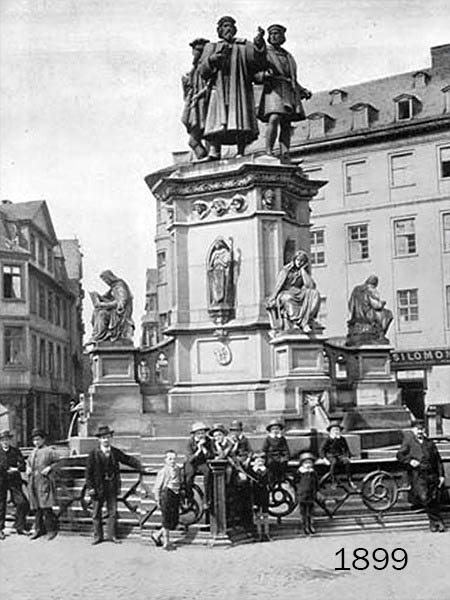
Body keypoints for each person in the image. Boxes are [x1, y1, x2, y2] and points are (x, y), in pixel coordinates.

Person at [199, 16, 266, 159]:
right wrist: (211, 61)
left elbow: (258, 62)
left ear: (235, 29)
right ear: (219, 30)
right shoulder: (211, 47)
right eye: (224, 26)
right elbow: (202, 71)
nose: (228, 29)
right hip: (218, 87)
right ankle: (214, 152)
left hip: (239, 88)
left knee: (240, 119)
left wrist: (259, 44)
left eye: (230, 26)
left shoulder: (243, 46)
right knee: (216, 120)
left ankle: (241, 151)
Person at [256, 24, 311, 160]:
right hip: (273, 88)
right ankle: (268, 151)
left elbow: (292, 78)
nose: (274, 36)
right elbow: (257, 55)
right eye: (272, 34)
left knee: (286, 123)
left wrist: (302, 90)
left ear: (283, 37)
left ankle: (285, 153)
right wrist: (259, 37)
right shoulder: (266, 52)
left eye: (277, 34)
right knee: (274, 117)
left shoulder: (288, 56)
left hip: (287, 89)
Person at [85, 425, 148, 545]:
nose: (106, 440)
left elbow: (127, 459)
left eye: (108, 437)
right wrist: (90, 487)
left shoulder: (114, 452)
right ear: (99, 440)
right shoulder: (93, 454)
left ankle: (112, 535)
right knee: (96, 513)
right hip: (98, 488)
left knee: (112, 512)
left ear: (111, 438)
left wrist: (141, 467)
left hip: (111, 486)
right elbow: (88, 473)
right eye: (103, 438)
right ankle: (98, 536)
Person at [396, 419, 446, 532]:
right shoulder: (409, 441)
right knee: (424, 497)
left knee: (433, 497)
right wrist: (410, 461)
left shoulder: (429, 443)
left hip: (432, 474)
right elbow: (399, 455)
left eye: (422, 429)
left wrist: (441, 475)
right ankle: (438, 521)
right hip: (419, 475)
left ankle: (434, 523)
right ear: (413, 430)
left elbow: (438, 460)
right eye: (417, 429)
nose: (420, 431)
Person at [266, 250, 320, 332]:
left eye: (302, 261)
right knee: (288, 298)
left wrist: (303, 271)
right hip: (285, 292)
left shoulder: (303, 272)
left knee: (314, 293)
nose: (299, 262)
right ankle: (298, 322)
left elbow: (310, 286)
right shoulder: (286, 270)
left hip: (299, 292)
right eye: (298, 260)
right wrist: (273, 298)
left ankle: (307, 319)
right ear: (294, 260)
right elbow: (278, 286)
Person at [27, 428, 60, 540]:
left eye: (38, 440)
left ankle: (51, 530)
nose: (36, 442)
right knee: (37, 508)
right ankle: (38, 530)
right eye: (34, 440)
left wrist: (49, 468)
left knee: (46, 507)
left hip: (44, 482)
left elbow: (58, 462)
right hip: (33, 483)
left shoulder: (50, 451)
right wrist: (27, 468)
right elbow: (28, 463)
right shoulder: (33, 452)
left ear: (43, 440)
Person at [181, 37, 210, 160]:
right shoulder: (193, 70)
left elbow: (211, 85)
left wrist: (199, 95)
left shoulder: (207, 66)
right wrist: (186, 85)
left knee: (206, 134)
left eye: (200, 50)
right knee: (193, 141)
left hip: (205, 102)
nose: (197, 53)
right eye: (195, 50)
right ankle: (203, 158)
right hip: (194, 105)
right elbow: (188, 90)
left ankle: (208, 158)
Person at [90, 270, 134, 343]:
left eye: (106, 280)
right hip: (113, 311)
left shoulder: (120, 285)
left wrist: (104, 305)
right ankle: (96, 336)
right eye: (104, 281)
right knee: (96, 312)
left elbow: (122, 302)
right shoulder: (113, 287)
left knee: (102, 314)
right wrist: (98, 297)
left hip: (120, 314)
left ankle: (100, 336)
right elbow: (107, 297)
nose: (106, 282)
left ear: (110, 277)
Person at [151, 449, 183, 550]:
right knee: (166, 519)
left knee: (173, 519)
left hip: (175, 494)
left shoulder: (178, 469)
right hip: (166, 494)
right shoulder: (163, 471)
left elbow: (179, 480)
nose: (172, 461)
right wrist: (157, 499)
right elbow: (157, 487)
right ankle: (166, 542)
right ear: (165, 460)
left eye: (174, 459)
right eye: (170, 459)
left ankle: (156, 535)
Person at [347, 275, 393, 343]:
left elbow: (350, 304)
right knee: (388, 314)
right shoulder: (369, 290)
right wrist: (382, 304)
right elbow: (376, 305)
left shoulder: (357, 289)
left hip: (356, 317)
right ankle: (380, 334)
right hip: (368, 314)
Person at [0, 430, 29, 538]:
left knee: (22, 502)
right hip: (1, 481)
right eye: (3, 440)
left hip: (14, 481)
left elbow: (23, 465)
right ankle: (0, 529)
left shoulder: (15, 451)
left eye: (7, 440)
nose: (5, 442)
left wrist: (15, 469)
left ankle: (20, 527)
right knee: (1, 505)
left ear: (10, 440)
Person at [228, 420, 254, 533]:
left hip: (245, 466)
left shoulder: (245, 439)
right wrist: (234, 445)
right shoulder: (229, 441)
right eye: (233, 431)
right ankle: (235, 522)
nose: (236, 433)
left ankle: (247, 523)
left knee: (246, 497)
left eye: (237, 430)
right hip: (235, 469)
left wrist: (248, 459)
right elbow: (230, 454)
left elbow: (250, 451)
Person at [184, 422, 213, 509]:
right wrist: (198, 451)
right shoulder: (189, 442)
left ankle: (206, 500)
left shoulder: (208, 441)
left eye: (203, 433)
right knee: (188, 477)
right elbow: (190, 459)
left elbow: (211, 456)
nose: (201, 435)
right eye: (199, 433)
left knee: (208, 473)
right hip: (192, 462)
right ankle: (189, 498)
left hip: (202, 462)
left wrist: (204, 449)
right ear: (194, 434)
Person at [319, 420, 355, 489]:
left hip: (339, 455)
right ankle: (333, 481)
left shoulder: (342, 439)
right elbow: (322, 450)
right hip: (330, 455)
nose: (336, 431)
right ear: (331, 431)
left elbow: (346, 448)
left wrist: (347, 456)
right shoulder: (328, 439)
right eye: (334, 430)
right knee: (334, 462)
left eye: (337, 430)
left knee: (347, 462)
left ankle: (349, 480)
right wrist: (324, 458)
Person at [294, 451, 319, 535]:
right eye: (306, 463)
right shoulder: (300, 473)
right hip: (302, 494)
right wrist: (298, 492)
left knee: (310, 512)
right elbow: (295, 482)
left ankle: (310, 525)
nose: (308, 465)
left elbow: (316, 483)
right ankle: (304, 526)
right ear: (302, 464)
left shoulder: (313, 473)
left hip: (311, 495)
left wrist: (316, 492)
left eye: (310, 463)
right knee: (303, 512)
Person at [249, 452, 271, 542]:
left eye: (262, 461)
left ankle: (266, 533)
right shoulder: (251, 472)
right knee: (257, 515)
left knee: (265, 514)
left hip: (264, 494)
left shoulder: (267, 471)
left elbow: (270, 482)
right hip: (255, 495)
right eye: (258, 461)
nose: (260, 462)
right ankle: (259, 534)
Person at [262, 419, 290, 488]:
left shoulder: (282, 439)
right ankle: (272, 484)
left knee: (282, 466)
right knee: (271, 468)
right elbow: (264, 449)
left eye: (277, 429)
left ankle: (280, 482)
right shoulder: (268, 439)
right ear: (270, 430)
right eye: (273, 429)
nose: (275, 431)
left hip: (280, 456)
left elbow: (285, 449)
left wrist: (285, 457)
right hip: (271, 457)